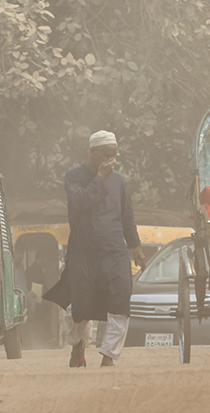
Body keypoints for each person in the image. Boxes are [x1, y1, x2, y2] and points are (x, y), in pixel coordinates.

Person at [44, 130, 146, 367]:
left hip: (114, 250)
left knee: (121, 301)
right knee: (79, 306)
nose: (111, 161)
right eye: (106, 155)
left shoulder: (118, 179)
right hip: (83, 252)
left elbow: (126, 214)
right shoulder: (74, 176)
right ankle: (78, 343)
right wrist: (99, 177)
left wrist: (136, 246)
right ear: (92, 152)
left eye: (114, 156)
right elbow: (80, 201)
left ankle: (109, 356)